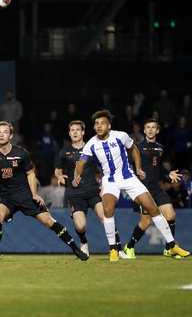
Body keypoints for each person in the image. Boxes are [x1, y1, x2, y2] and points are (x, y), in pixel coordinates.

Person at [73, 110, 189, 261]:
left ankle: (172, 245)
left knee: (153, 208)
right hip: (110, 180)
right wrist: (76, 176)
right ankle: (113, 249)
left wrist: (139, 168)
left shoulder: (121, 136)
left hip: (128, 178)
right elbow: (81, 163)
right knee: (108, 210)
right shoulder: (91, 144)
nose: (99, 126)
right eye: (96, 123)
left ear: (109, 125)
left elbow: (134, 150)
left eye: (102, 123)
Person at [0, 121, 88, 262]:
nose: (2, 135)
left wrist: (34, 195)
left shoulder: (21, 153)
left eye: (5, 132)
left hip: (25, 195)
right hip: (6, 197)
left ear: (11, 135)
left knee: (49, 222)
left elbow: (31, 174)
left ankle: (76, 250)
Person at [55, 120, 129, 258]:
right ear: (69, 133)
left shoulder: (92, 147)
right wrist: (59, 175)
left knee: (106, 216)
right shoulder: (64, 151)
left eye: (78, 130)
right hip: (75, 193)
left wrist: (103, 183)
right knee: (81, 226)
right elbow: (57, 170)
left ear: (83, 132)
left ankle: (118, 249)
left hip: (93, 191)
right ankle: (84, 242)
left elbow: (104, 167)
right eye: (72, 130)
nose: (75, 132)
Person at [124, 118, 186, 259]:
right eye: (148, 127)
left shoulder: (159, 147)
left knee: (170, 215)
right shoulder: (137, 148)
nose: (150, 129)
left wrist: (168, 172)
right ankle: (129, 246)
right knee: (146, 223)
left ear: (157, 130)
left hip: (157, 189)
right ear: (144, 130)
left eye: (153, 127)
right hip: (142, 190)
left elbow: (158, 166)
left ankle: (169, 249)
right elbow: (125, 163)